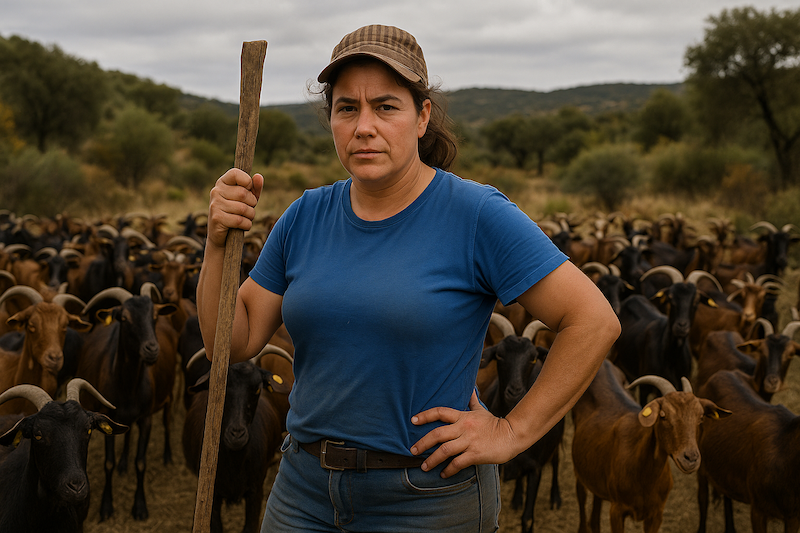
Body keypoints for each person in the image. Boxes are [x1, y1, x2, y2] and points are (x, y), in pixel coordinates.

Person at [196, 24, 620, 533]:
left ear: (422, 117)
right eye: (346, 108)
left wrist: (512, 431)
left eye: (386, 106)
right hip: (304, 490)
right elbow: (232, 341)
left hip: (426, 499)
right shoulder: (305, 215)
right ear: (330, 119)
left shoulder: (475, 214)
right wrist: (218, 243)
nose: (363, 126)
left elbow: (593, 321)